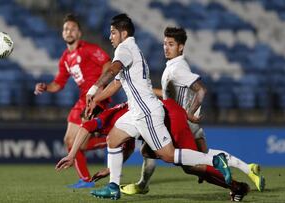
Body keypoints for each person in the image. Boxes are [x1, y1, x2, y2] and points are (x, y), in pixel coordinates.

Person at [84, 13, 231, 200]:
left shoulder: (124, 49)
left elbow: (113, 70)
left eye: (113, 33)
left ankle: (215, 160)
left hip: (146, 112)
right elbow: (116, 84)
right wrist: (96, 99)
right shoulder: (130, 50)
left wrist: (93, 88)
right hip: (136, 111)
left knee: (169, 156)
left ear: (124, 33)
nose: (110, 37)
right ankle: (113, 186)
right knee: (113, 139)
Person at [120, 27, 265, 198]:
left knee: (192, 164)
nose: (166, 47)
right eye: (165, 44)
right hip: (181, 121)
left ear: (181, 47)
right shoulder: (174, 66)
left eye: (171, 44)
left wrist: (190, 113)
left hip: (181, 124)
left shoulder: (177, 68)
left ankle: (238, 185)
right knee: (194, 162)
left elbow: (201, 90)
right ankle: (246, 171)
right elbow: (169, 96)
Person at [56, 98, 251, 201]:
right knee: (148, 152)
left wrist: (72, 155)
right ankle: (235, 186)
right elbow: (129, 146)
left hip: (170, 117)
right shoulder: (118, 119)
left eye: (87, 119)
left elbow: (85, 128)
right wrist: (110, 169)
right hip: (167, 112)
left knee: (191, 165)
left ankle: (235, 184)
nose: (88, 125)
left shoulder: (104, 119)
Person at [33, 13, 112, 188]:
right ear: (62, 33)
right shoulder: (65, 58)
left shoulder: (89, 49)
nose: (69, 31)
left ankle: (116, 140)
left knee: (78, 143)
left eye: (73, 28)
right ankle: (86, 179)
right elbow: (58, 84)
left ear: (79, 33)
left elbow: (108, 64)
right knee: (71, 141)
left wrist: (100, 86)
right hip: (82, 99)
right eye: (66, 28)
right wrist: (45, 87)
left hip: (95, 97)